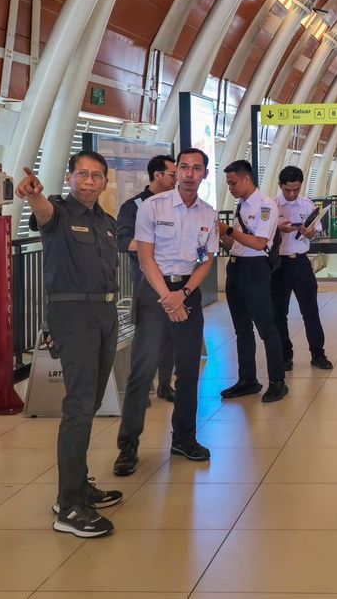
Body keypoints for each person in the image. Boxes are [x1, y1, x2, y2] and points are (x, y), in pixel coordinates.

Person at [16, 152, 122, 539]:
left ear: (104, 181)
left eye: (96, 176)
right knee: (78, 407)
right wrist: (31, 195)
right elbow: (41, 210)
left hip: (106, 316)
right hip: (73, 317)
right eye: (82, 175)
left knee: (90, 403)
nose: (89, 182)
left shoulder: (105, 222)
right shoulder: (58, 212)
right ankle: (69, 507)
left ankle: (77, 488)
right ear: (70, 176)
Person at [119, 147, 218, 469]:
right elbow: (145, 258)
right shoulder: (152, 206)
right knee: (142, 370)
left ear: (204, 173)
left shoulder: (208, 213)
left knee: (189, 369)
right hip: (154, 291)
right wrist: (167, 296)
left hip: (188, 291)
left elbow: (207, 259)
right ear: (177, 173)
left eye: (197, 168)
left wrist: (184, 293)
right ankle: (128, 446)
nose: (190, 174)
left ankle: (184, 439)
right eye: (184, 168)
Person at [216, 160, 289, 403]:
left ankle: (277, 381)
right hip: (236, 268)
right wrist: (218, 235)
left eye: (233, 183)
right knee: (242, 329)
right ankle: (248, 379)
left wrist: (228, 231)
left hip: (255, 270)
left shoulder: (265, 205)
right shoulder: (241, 205)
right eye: (228, 184)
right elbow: (237, 243)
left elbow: (259, 243)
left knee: (266, 327)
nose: (230, 188)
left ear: (246, 179)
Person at [115, 155, 178, 405]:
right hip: (146, 283)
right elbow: (122, 242)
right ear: (157, 175)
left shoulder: (177, 203)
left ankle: (165, 385)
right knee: (147, 338)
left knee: (170, 336)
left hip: (175, 281)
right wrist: (154, 245)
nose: (177, 179)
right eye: (173, 174)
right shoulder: (134, 207)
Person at [271, 166, 333, 370]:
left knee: (310, 311)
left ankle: (318, 353)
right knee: (279, 313)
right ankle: (284, 354)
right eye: (288, 190)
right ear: (280, 186)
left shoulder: (307, 205)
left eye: (296, 189)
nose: (292, 194)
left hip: (300, 263)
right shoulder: (270, 206)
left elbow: (317, 230)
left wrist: (309, 233)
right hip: (278, 265)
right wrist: (278, 229)